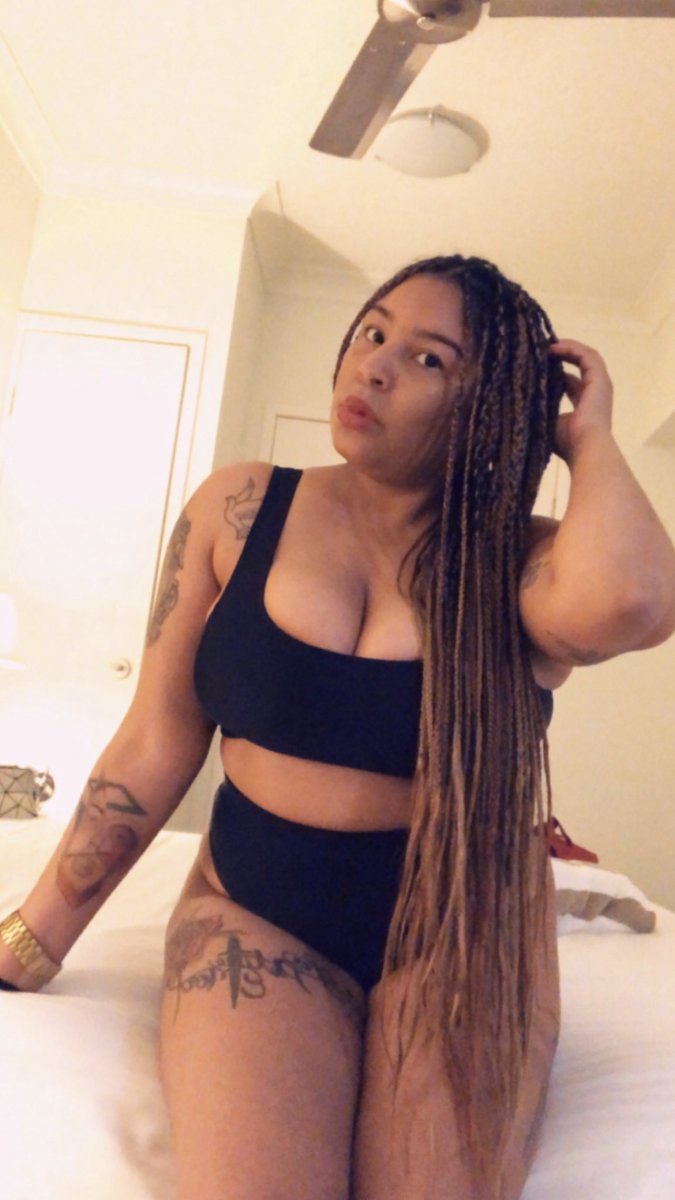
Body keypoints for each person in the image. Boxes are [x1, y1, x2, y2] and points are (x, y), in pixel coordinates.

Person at [1, 254, 674, 1200]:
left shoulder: (523, 562)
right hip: (259, 911)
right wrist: (32, 938)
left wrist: (587, 438)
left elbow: (634, 602)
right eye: (372, 332)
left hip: (464, 924)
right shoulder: (237, 509)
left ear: (488, 405)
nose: (375, 366)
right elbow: (155, 738)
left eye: (430, 358)